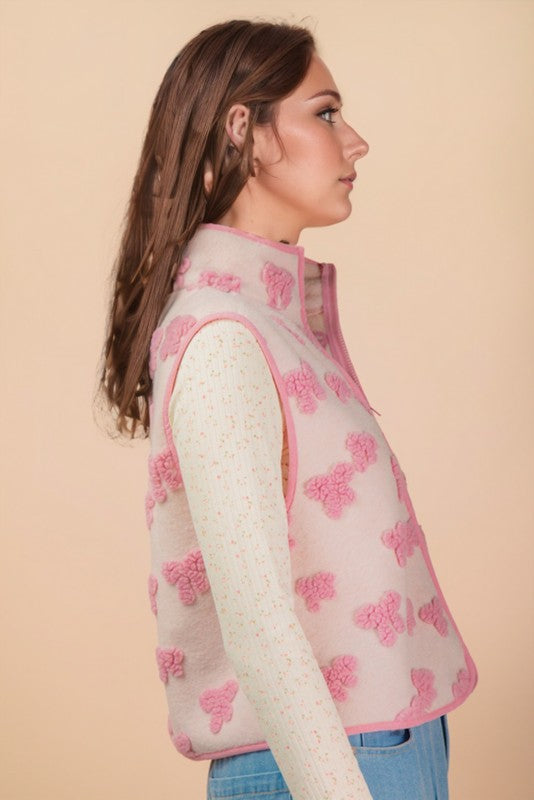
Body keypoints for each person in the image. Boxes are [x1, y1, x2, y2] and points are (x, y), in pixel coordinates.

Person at [96, 18, 478, 800]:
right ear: (245, 130)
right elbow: (260, 627)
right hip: (326, 765)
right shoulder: (224, 337)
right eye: (326, 113)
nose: (355, 142)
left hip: (385, 744)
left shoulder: (273, 322)